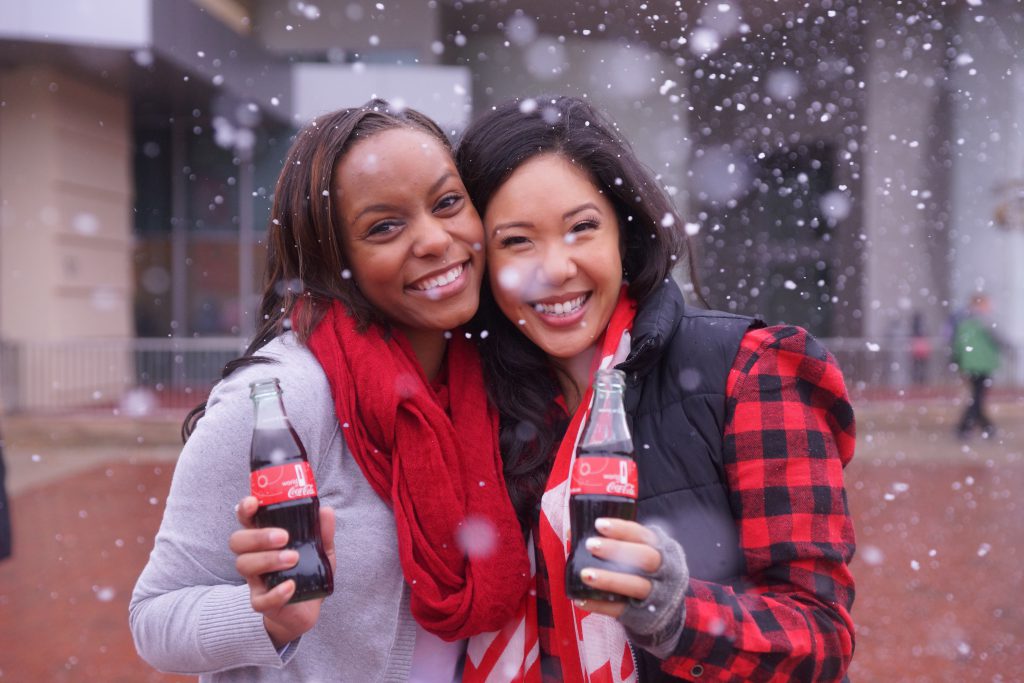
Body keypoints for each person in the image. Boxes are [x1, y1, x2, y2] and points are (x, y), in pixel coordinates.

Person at [456, 96, 857, 682]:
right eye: (516, 241)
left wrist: (675, 612)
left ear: (624, 231)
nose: (555, 267)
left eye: (582, 228)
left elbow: (819, 636)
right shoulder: (474, 399)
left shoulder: (750, 371)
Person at [130, 100, 533, 682]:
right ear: (332, 258)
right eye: (384, 227)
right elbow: (153, 619)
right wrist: (268, 618)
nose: (433, 240)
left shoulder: (491, 379)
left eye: (447, 203)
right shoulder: (278, 401)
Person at [953, 293, 1002, 439]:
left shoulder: (963, 322)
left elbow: (958, 345)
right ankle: (967, 428)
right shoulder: (983, 321)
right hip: (982, 365)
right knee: (978, 398)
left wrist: (959, 362)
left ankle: (986, 427)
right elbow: (999, 338)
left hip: (970, 365)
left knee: (976, 397)